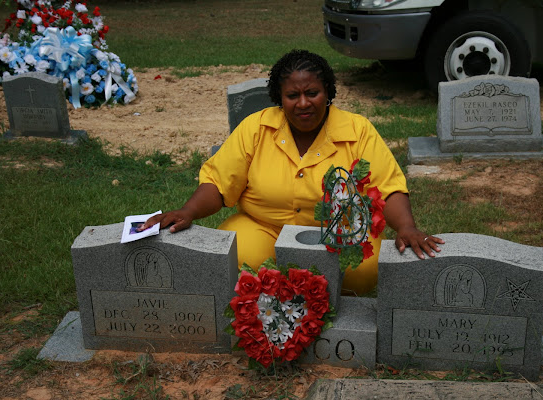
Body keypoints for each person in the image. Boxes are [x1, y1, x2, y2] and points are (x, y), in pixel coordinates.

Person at [139, 49, 443, 295]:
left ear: (328, 92)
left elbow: (387, 186)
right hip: (263, 225)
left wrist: (406, 226)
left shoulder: (358, 130)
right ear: (279, 97)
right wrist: (188, 210)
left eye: (312, 92)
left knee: (362, 271)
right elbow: (219, 183)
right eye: (292, 96)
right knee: (235, 259)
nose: (303, 103)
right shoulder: (256, 127)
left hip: (340, 231)